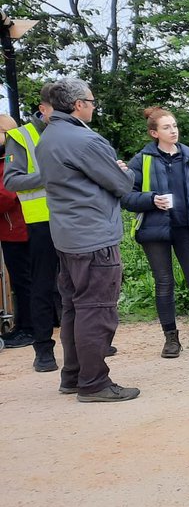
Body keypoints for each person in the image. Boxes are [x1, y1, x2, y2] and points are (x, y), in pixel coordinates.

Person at [36, 78, 139, 402]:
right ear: (78, 104)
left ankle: (74, 376)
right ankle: (94, 383)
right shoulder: (85, 140)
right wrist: (126, 172)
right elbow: (122, 184)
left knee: (74, 308)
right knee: (97, 309)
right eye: (92, 101)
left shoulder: (48, 135)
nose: (94, 107)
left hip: (67, 237)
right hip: (94, 237)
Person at [122, 107, 189, 358]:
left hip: (188, 228)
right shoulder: (142, 160)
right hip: (154, 230)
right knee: (164, 283)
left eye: (174, 126)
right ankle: (171, 339)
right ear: (154, 133)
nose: (173, 131)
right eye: (166, 127)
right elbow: (125, 197)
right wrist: (151, 200)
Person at [3, 91, 63, 371]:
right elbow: (12, 181)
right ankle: (43, 349)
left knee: (77, 284)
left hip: (75, 219)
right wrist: (50, 176)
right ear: (43, 108)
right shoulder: (22, 135)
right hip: (40, 223)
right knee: (42, 285)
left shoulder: (72, 129)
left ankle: (86, 342)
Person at [0, 115, 33, 350]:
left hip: (18, 230)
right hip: (14, 228)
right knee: (21, 282)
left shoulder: (9, 158)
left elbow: (7, 195)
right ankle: (24, 326)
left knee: (24, 283)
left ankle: (28, 329)